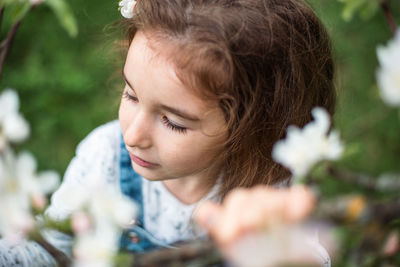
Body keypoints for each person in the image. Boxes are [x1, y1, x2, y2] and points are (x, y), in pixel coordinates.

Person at [0, 0, 335, 265]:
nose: (132, 135)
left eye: (173, 122)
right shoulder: (104, 158)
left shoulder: (270, 201)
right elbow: (44, 251)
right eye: (131, 94)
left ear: (255, 127)